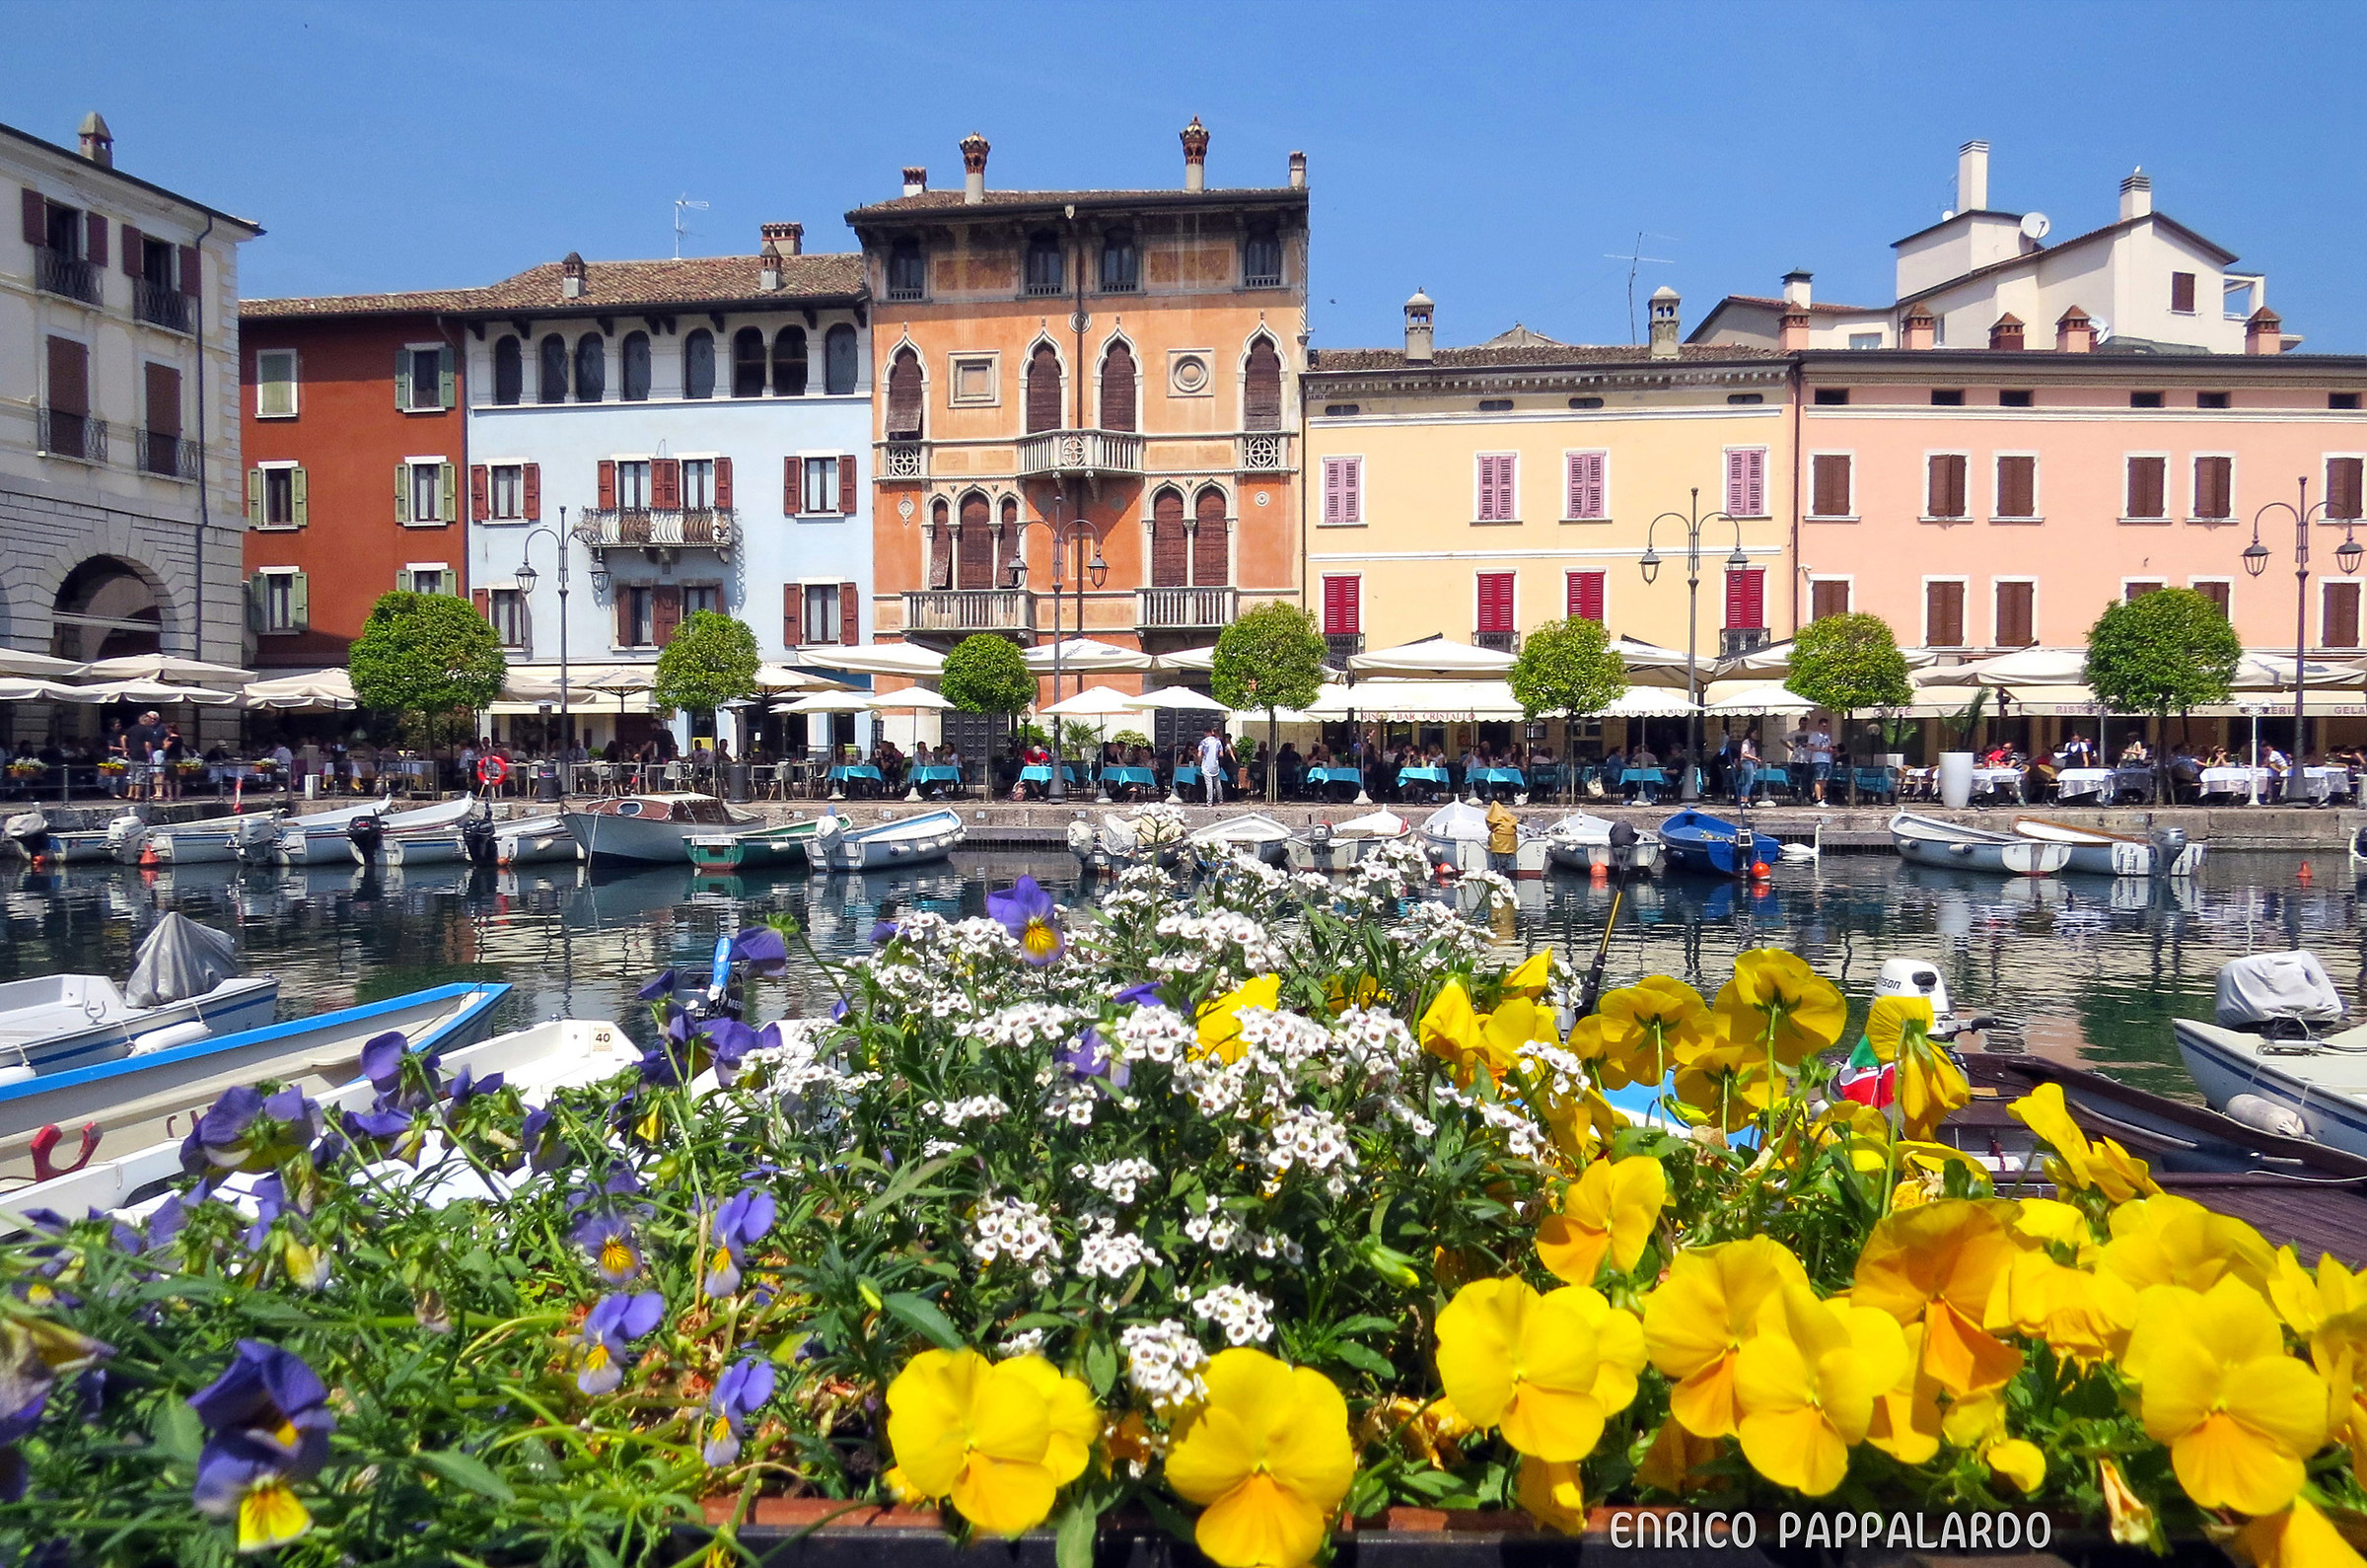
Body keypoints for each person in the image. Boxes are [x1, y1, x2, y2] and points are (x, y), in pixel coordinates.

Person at [1485, 796, 1519, 874]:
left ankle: (1497, 870)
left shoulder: (1493, 816)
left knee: (1497, 861)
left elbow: (1490, 824)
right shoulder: (1508, 817)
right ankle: (1506, 871)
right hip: (1511, 844)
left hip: (1497, 842)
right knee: (1506, 862)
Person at [1195, 724, 1225, 807]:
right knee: (1217, 783)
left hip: (1206, 765)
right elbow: (1221, 754)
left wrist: (1200, 760)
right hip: (1215, 764)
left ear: (1205, 733)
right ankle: (1220, 799)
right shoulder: (1217, 741)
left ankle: (1209, 801)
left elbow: (1199, 754)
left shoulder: (1203, 742)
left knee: (1209, 784)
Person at [1734, 728, 1761, 806]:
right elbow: (1745, 754)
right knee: (1749, 782)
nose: (1755, 735)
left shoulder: (1752, 743)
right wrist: (1755, 758)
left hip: (1751, 763)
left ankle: (1745, 799)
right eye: (1754, 733)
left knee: (1749, 782)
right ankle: (1744, 800)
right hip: (1747, 762)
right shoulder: (1746, 742)